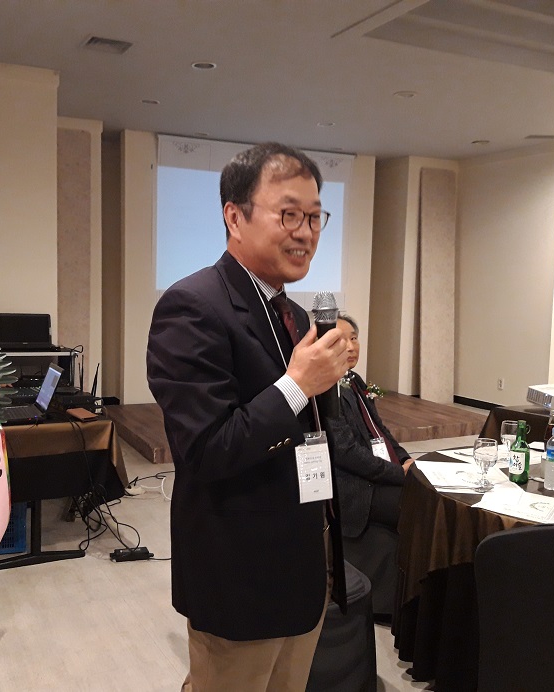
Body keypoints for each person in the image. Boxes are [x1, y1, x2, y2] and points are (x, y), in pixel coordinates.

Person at [147, 142, 349, 692]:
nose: (305, 233)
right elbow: (207, 450)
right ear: (234, 217)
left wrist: (325, 382)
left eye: (315, 217)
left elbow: (309, 426)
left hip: (302, 562)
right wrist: (297, 384)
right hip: (238, 572)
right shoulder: (192, 306)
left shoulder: (296, 312)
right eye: (289, 214)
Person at [326, 313, 412, 619]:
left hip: (377, 475)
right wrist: (398, 474)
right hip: (353, 488)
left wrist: (405, 459)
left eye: (354, 338)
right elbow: (347, 453)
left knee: (423, 497)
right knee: (414, 505)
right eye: (341, 340)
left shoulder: (354, 380)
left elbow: (381, 431)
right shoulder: (325, 389)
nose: (351, 346)